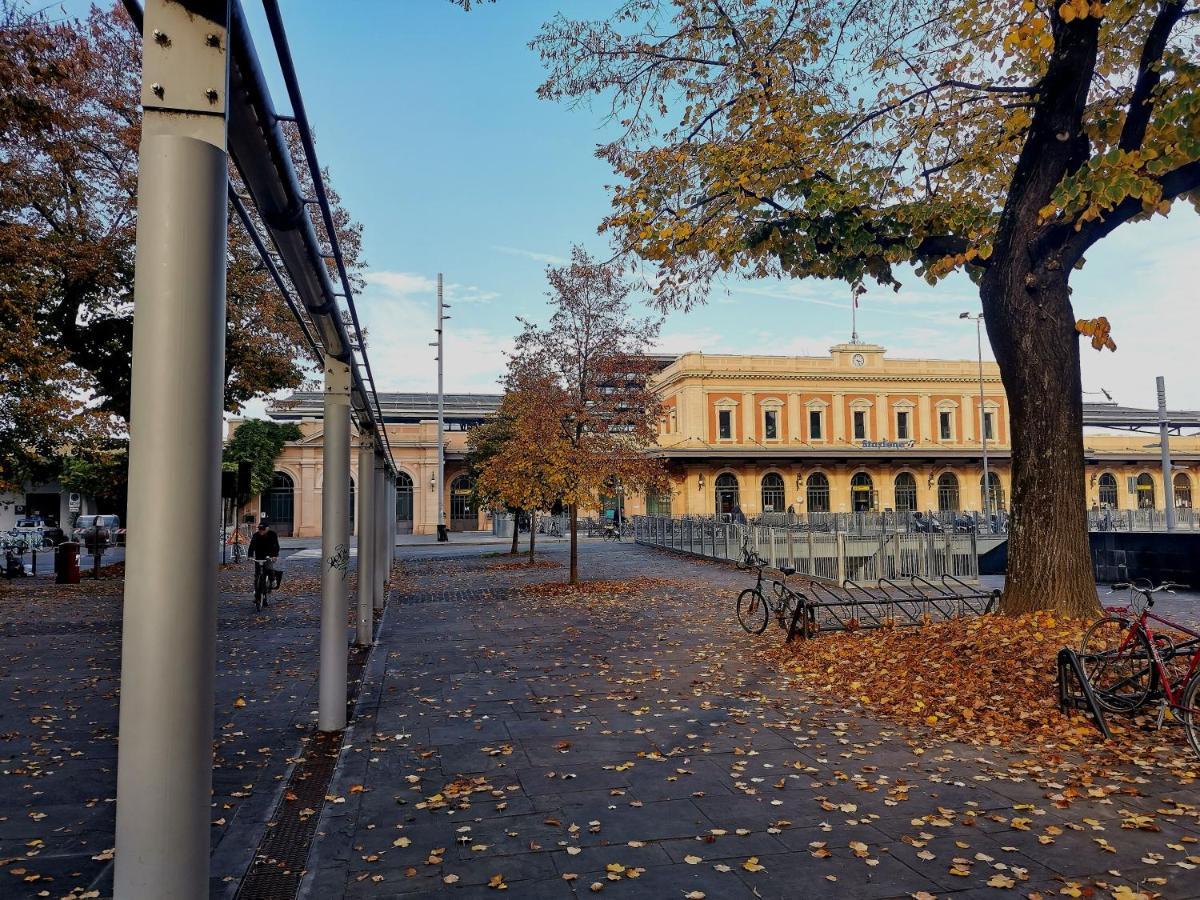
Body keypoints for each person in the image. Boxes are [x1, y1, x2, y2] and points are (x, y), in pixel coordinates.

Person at [247, 521, 282, 605]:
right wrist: (250, 556)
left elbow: (276, 546)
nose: (261, 531)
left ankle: (273, 579)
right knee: (257, 575)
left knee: (269, 568)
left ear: (267, 529)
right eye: (259, 529)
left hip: (269, 555)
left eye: (263, 529)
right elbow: (251, 546)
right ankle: (257, 596)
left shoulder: (272, 534)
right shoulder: (256, 535)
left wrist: (274, 555)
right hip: (259, 556)